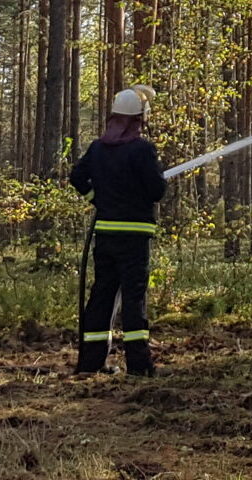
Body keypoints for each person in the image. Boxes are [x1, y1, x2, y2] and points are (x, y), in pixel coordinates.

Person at [69, 83, 166, 376]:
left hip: (106, 237)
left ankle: (90, 363)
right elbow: (157, 191)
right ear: (138, 120)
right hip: (134, 238)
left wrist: (97, 199)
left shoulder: (98, 148)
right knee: (134, 299)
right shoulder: (142, 149)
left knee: (102, 296)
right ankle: (139, 367)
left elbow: (77, 177)